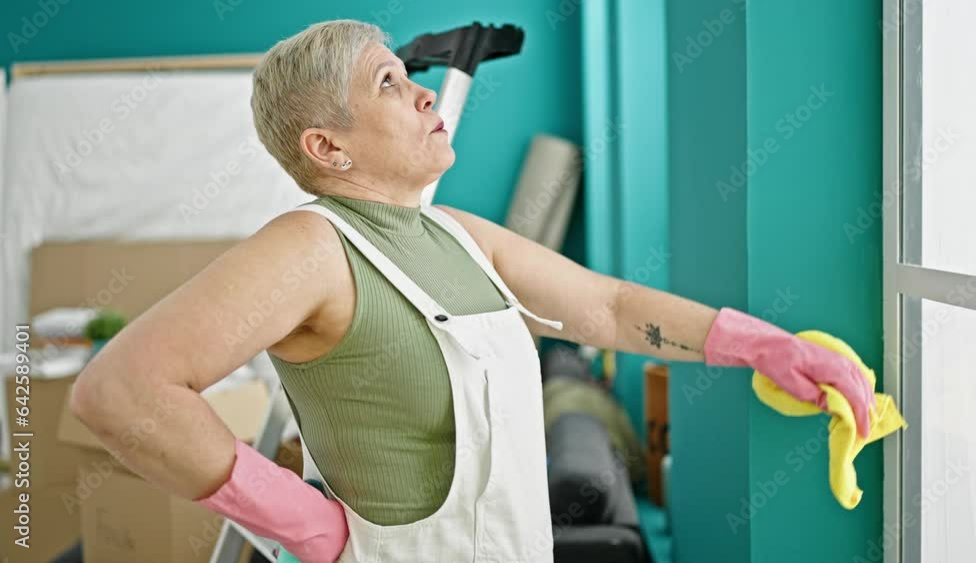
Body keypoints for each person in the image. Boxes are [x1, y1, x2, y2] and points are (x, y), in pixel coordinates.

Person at [69, 19, 875, 563]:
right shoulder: (310, 247)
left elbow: (608, 307)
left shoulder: (455, 232)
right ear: (327, 146)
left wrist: (767, 345)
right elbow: (120, 390)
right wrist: (306, 527)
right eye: (389, 83)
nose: (426, 93)